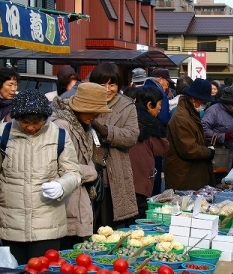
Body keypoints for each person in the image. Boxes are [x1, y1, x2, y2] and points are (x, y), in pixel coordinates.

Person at [0, 89, 81, 264]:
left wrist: (62, 185)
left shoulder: (59, 135)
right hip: (10, 223)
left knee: (44, 272)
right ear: (16, 118)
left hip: (48, 225)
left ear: (45, 118)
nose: (31, 127)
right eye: (25, 122)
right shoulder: (2, 133)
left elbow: (73, 173)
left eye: (37, 122)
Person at [50, 83, 112, 249]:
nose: (95, 116)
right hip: (66, 199)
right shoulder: (62, 126)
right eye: (92, 111)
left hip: (78, 197)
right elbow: (57, 167)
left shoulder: (82, 124)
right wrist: (91, 172)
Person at [89, 62, 139, 229]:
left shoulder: (127, 106)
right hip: (88, 172)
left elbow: (132, 136)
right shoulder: (84, 102)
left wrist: (106, 131)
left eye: (112, 84)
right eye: (102, 85)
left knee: (114, 228)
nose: (107, 89)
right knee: (89, 226)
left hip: (116, 173)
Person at [164, 79, 216, 190]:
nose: (204, 105)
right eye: (203, 102)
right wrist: (208, 152)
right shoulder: (181, 117)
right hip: (183, 174)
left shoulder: (190, 113)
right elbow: (189, 149)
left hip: (190, 171)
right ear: (194, 99)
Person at [129, 86, 169, 219]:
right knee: (138, 217)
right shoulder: (151, 124)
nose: (160, 108)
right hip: (140, 180)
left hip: (126, 179)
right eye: (158, 104)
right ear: (149, 104)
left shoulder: (129, 117)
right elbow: (161, 148)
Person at [144, 68, 173, 195]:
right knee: (153, 177)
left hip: (135, 141)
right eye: (167, 82)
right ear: (161, 79)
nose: (168, 85)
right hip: (153, 140)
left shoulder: (138, 89)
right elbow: (164, 119)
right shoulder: (159, 93)